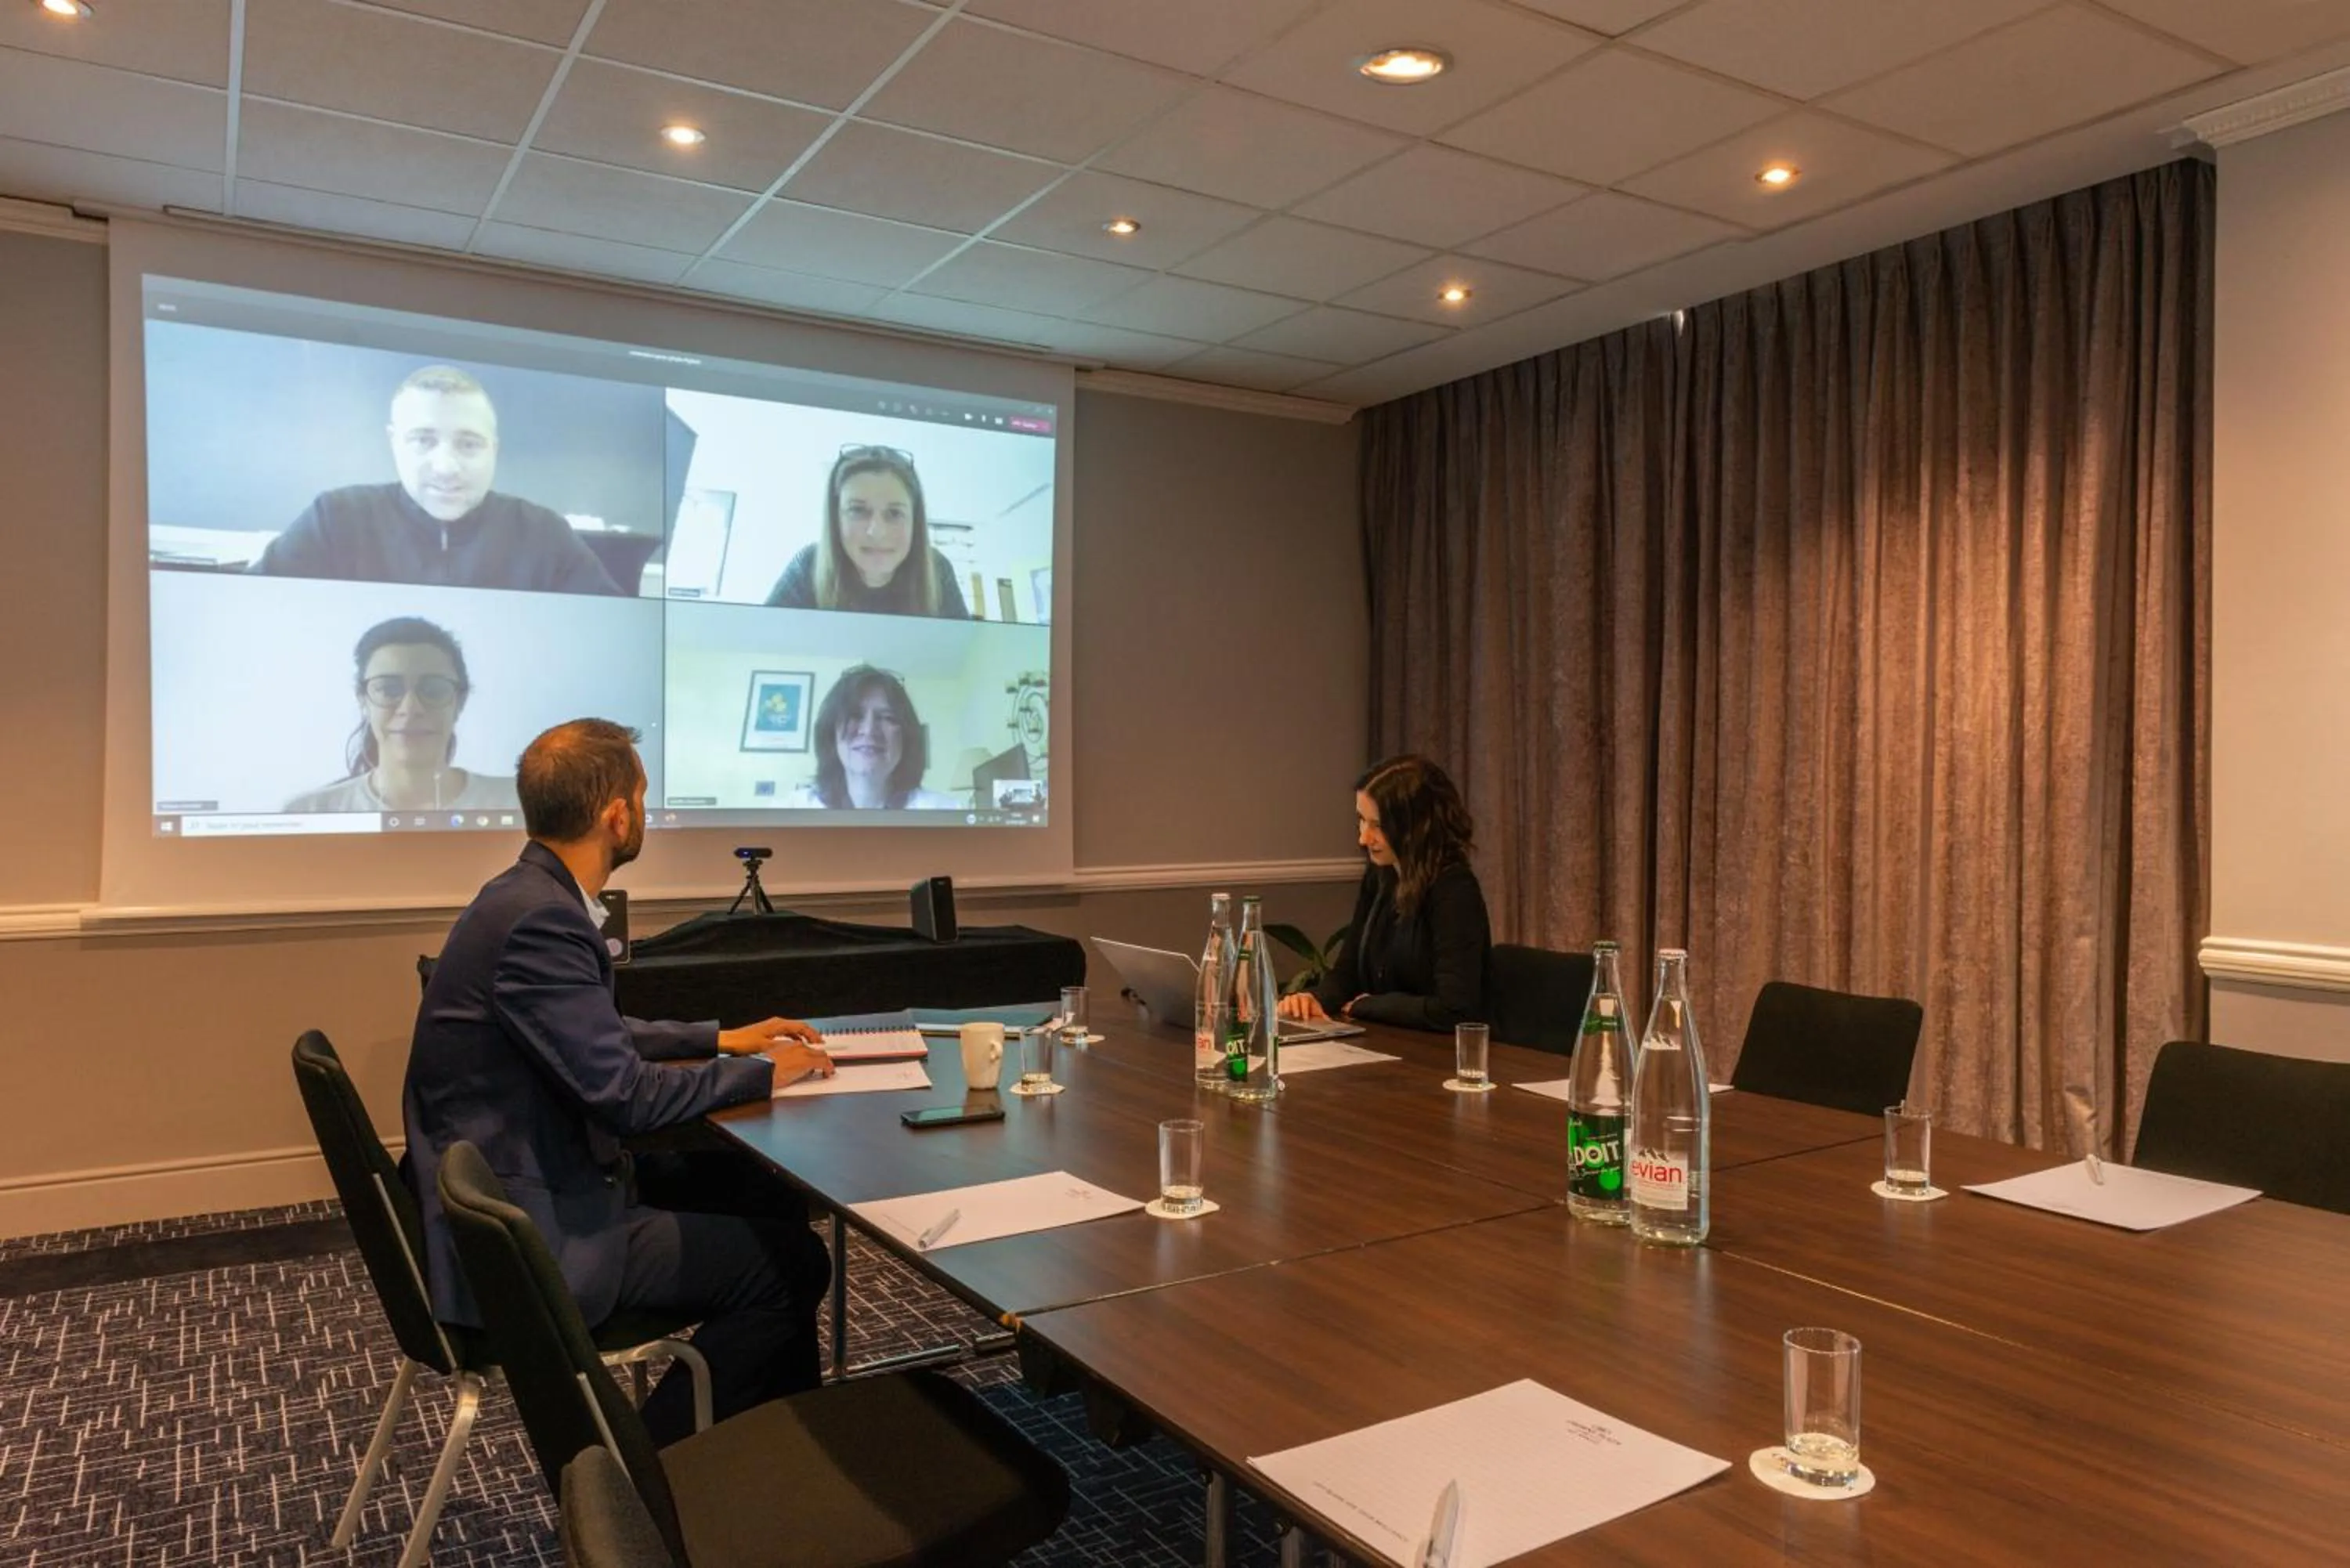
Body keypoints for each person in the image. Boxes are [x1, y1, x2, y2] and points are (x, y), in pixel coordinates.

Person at [403, 717, 836, 1443]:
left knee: (766, 1195)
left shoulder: (521, 895)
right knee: (790, 1264)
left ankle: (772, 1443)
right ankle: (647, 1472)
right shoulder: (543, 917)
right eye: (641, 794)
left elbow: (585, 1035)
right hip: (532, 1234)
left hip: (529, 1180)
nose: (644, 811)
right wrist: (760, 1074)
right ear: (616, 813)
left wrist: (719, 1037)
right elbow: (626, 1097)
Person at [250, 365, 622, 595]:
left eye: (468, 444)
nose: (446, 466)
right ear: (394, 442)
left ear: (494, 449)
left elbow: (611, 632)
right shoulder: (334, 518)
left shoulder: (543, 533)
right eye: (423, 441)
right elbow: (249, 605)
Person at [1278, 754, 1491, 1032]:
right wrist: (1314, 999)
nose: (1364, 838)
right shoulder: (1381, 877)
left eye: (1378, 825)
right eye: (1362, 821)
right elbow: (1348, 971)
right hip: (1389, 1041)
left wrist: (1371, 1006)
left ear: (1415, 826)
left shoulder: (1454, 890)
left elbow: (1455, 1008)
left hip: (1440, 1056)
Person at [284, 616, 519, 813]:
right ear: (363, 701)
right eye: (388, 689)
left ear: (460, 702)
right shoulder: (309, 811)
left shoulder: (522, 803)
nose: (411, 708)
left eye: (434, 689)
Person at [764, 445, 971, 618]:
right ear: (836, 519)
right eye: (857, 511)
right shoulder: (808, 565)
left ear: (914, 521)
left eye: (895, 513)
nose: (876, 532)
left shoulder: (938, 569)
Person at [789, 666, 960, 809]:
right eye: (855, 716)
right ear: (831, 733)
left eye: (887, 717)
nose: (869, 730)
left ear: (906, 737)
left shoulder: (948, 812)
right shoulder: (791, 811)